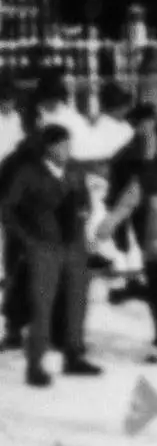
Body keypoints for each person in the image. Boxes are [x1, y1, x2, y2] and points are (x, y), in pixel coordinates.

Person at [5, 119, 99, 383]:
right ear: (49, 147)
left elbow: (85, 200)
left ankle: (74, 354)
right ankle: (35, 364)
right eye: (62, 145)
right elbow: (7, 209)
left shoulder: (75, 171)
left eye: (69, 144)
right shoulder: (28, 173)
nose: (67, 149)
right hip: (43, 246)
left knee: (76, 301)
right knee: (42, 306)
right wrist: (26, 238)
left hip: (74, 244)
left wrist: (84, 214)